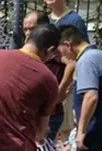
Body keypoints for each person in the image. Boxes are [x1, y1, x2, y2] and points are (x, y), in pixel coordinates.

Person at [23, 11, 70, 141]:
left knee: (42, 148)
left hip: (51, 114)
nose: (28, 33)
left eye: (32, 29)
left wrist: (61, 89)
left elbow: (71, 64)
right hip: (34, 111)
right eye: (25, 29)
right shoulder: (28, 49)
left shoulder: (53, 49)